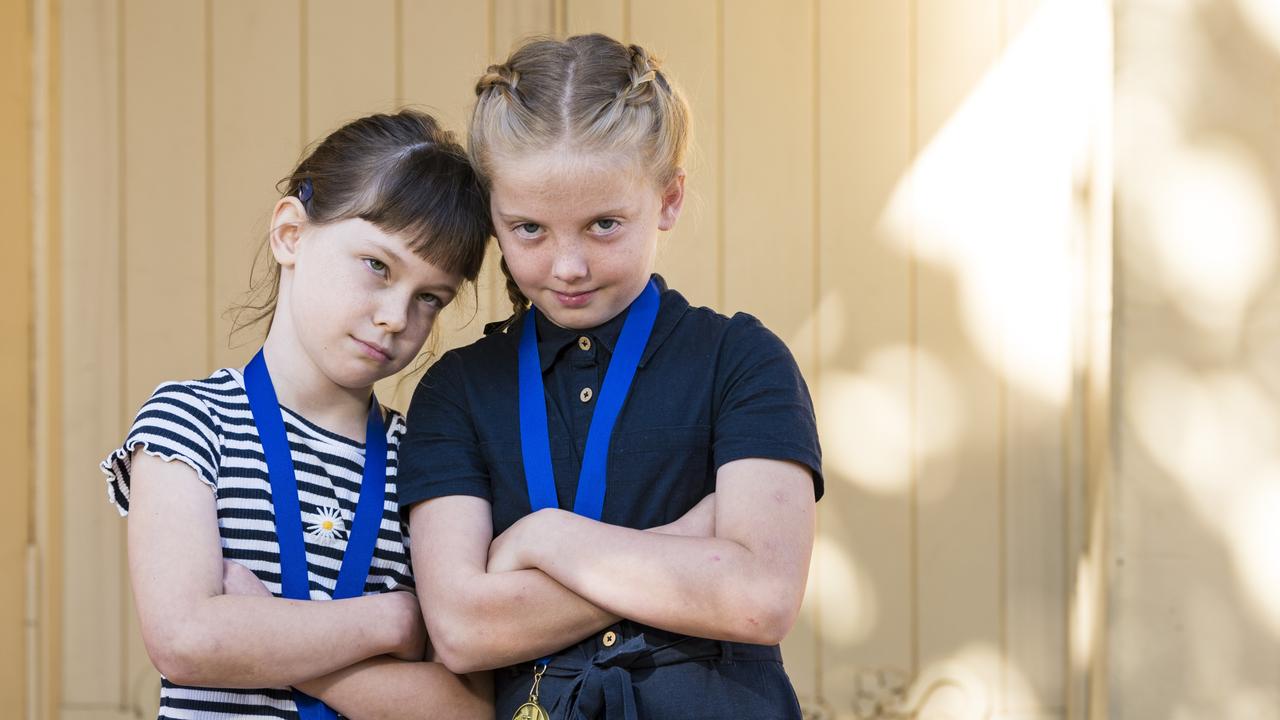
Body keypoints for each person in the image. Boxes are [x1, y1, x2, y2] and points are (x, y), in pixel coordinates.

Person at [399, 34, 824, 719]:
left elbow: (760, 600)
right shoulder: (456, 392)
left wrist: (546, 541)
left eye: (603, 225)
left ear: (670, 199)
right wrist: (690, 544)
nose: (568, 266)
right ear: (494, 220)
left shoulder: (742, 360)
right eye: (530, 229)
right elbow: (465, 629)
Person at [100, 110, 493, 720]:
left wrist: (265, 636)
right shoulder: (190, 421)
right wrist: (392, 619)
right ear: (291, 234)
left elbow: (463, 710)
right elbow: (186, 641)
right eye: (377, 266)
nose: (396, 316)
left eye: (429, 299)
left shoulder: (427, 457)